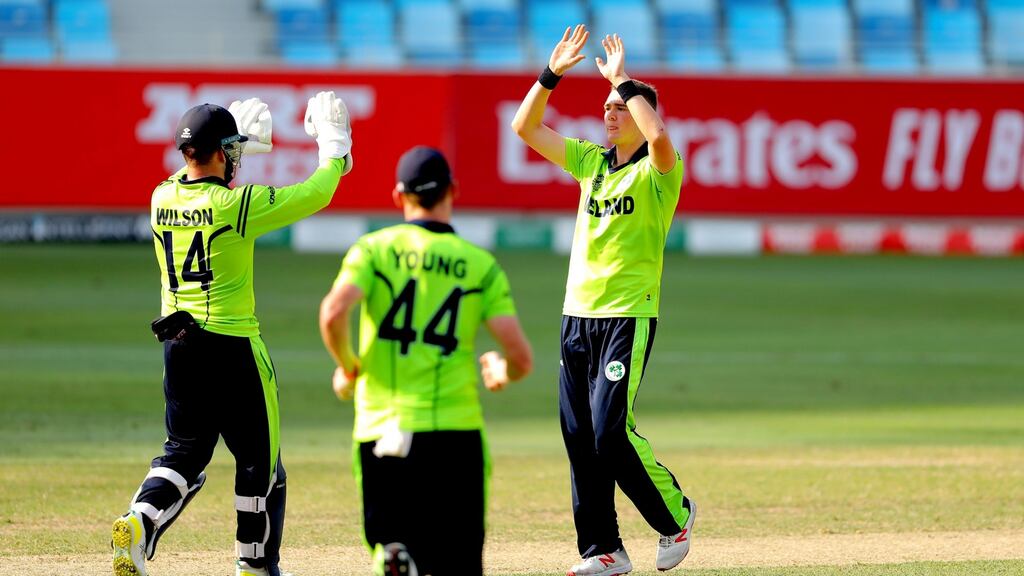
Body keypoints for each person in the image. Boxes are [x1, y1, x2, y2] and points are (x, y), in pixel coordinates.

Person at [111, 91, 354, 576]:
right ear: (221, 154)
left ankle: (140, 519)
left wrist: (236, 148)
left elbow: (200, 182)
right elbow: (317, 192)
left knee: (183, 454)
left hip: (177, 347)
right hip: (234, 349)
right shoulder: (237, 206)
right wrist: (334, 145)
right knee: (260, 466)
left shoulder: (160, 196)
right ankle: (254, 564)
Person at [510, 26, 696, 575]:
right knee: (578, 435)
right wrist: (551, 74)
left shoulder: (659, 174)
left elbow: (659, 137)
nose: (609, 113)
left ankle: (675, 516)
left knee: (609, 429)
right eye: (607, 106)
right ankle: (604, 550)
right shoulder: (591, 162)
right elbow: (524, 127)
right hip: (576, 317)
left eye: (619, 108)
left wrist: (624, 81)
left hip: (626, 316)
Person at [319, 146, 533, 576]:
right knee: (458, 562)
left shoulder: (374, 250)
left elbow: (333, 312)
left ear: (399, 196)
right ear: (453, 190)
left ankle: (395, 555)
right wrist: (501, 370)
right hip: (455, 432)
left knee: (391, 540)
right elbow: (520, 356)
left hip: (384, 427)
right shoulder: (481, 266)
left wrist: (348, 365)